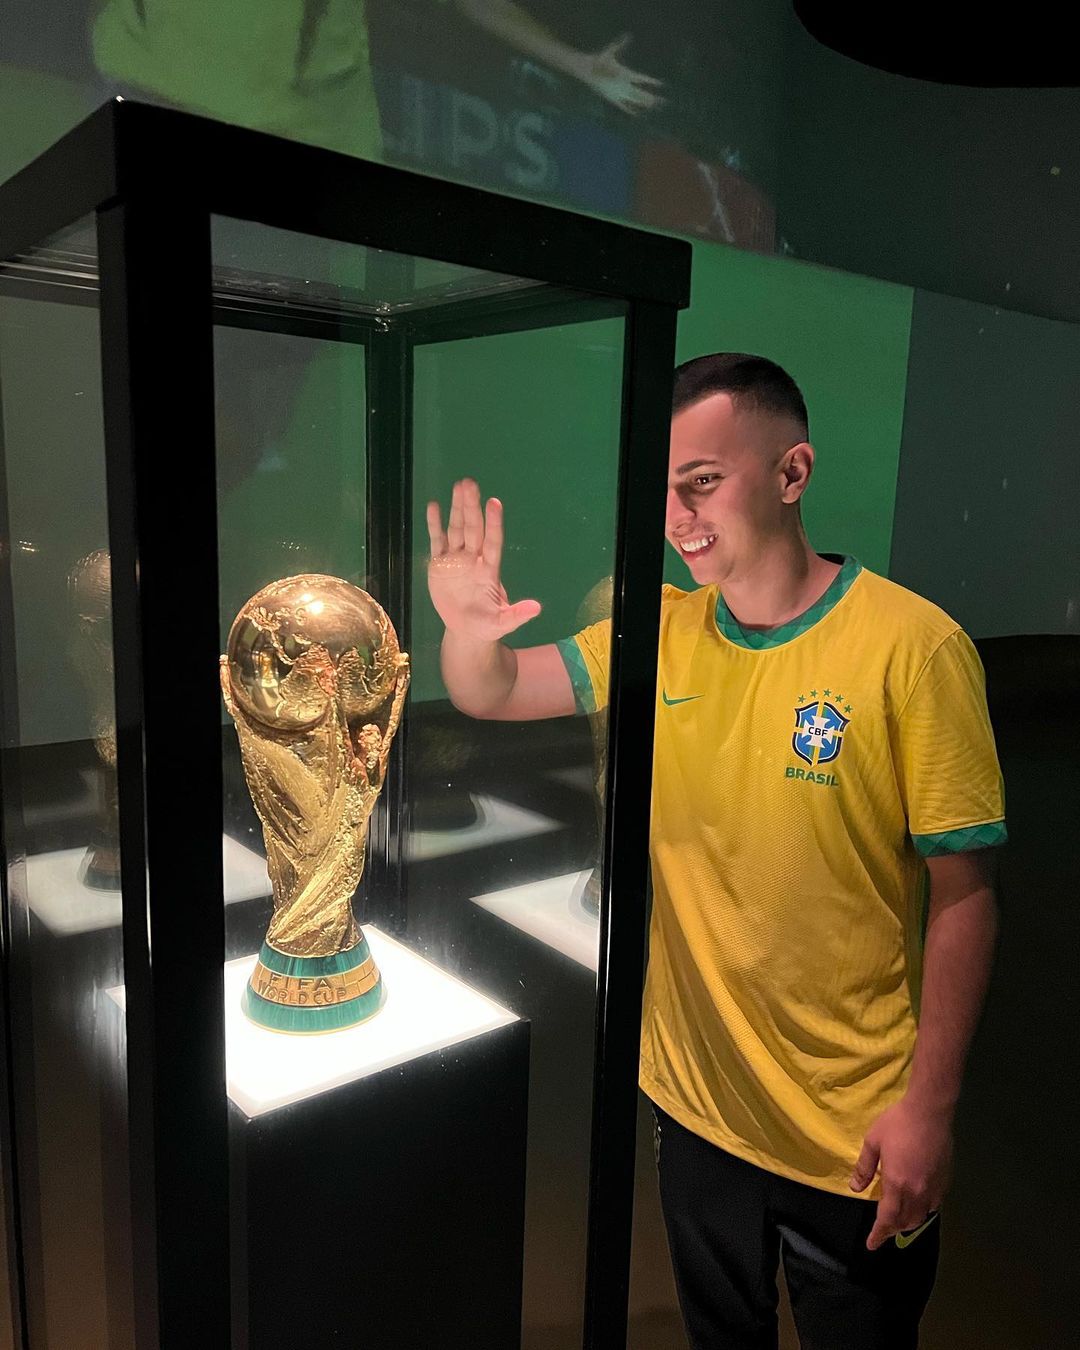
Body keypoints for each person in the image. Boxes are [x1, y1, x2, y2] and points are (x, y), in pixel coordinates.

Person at [425, 353, 1005, 1350]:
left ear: (792, 473)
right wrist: (466, 631)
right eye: (660, 490)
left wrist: (929, 1110)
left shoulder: (914, 648)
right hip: (694, 1108)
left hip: (851, 1135)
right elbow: (492, 689)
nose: (676, 517)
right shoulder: (656, 630)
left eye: (701, 482)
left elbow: (965, 896)